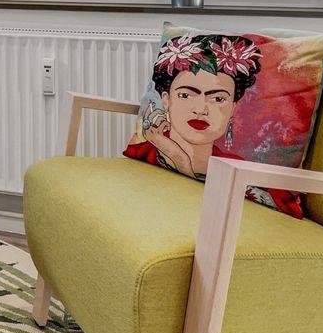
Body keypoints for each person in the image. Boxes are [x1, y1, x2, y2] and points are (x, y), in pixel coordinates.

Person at [124, 33, 302, 217]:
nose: (201, 109)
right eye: (186, 95)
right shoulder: (144, 151)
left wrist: (182, 163)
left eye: (218, 99)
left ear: (233, 107)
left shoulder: (243, 173)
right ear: (166, 99)